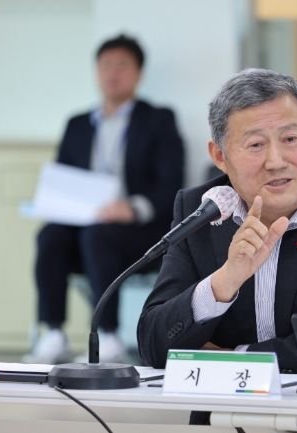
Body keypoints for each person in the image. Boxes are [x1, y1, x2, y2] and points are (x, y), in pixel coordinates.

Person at [138, 69, 297, 432]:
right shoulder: (202, 213)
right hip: (227, 421)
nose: (276, 160)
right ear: (219, 155)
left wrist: (232, 359)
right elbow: (154, 344)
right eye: (256, 145)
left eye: (291, 138)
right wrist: (223, 283)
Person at [24, 35, 184, 364]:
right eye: (106, 65)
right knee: (50, 236)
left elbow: (171, 184)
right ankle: (53, 332)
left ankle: (108, 335)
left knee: (98, 236)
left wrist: (132, 208)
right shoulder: (77, 124)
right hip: (85, 225)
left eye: (122, 65)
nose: (113, 72)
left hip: (138, 230)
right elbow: (63, 181)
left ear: (138, 74)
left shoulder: (158, 120)